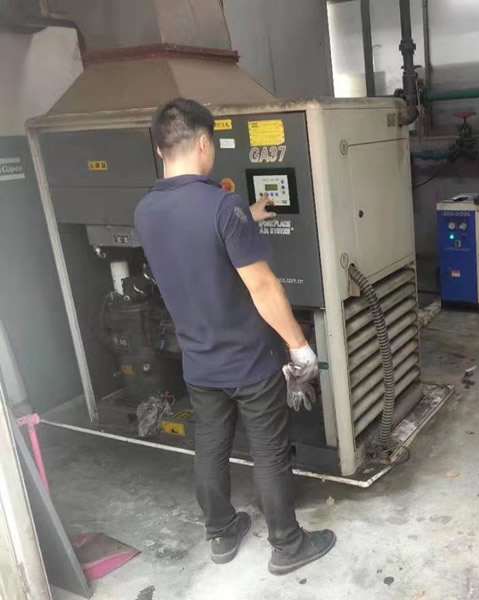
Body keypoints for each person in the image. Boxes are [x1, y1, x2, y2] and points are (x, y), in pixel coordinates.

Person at [134, 98, 336, 573]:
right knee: (269, 452)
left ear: (160, 149)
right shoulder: (222, 207)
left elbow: (192, 239)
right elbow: (263, 287)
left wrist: (246, 215)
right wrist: (299, 346)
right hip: (249, 360)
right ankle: (288, 545)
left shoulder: (146, 210)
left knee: (210, 446)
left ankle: (221, 532)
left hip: (198, 358)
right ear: (205, 143)